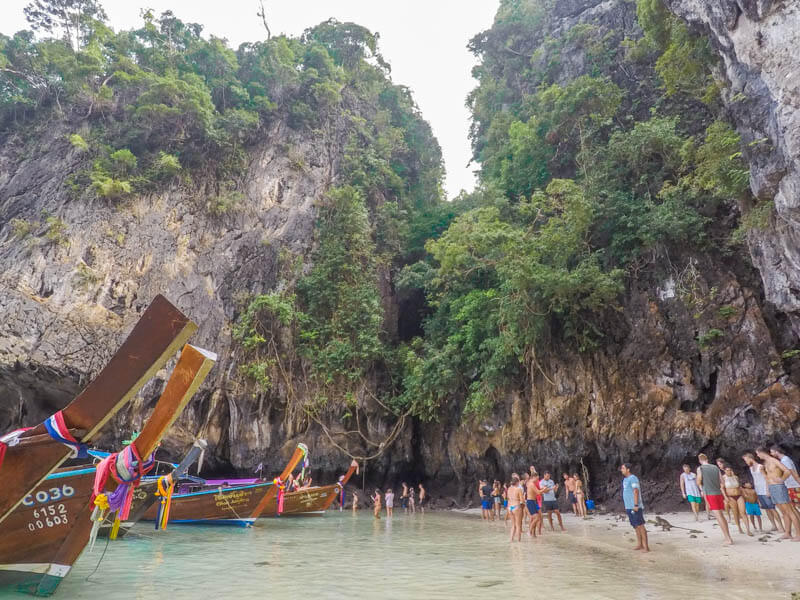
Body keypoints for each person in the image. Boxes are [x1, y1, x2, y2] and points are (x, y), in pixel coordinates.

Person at [756, 447, 800, 541]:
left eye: (757, 453)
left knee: (790, 511)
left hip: (779, 487)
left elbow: (787, 471)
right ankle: (787, 533)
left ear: (762, 452)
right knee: (783, 512)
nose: (757, 455)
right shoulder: (765, 463)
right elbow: (768, 477)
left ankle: (798, 534)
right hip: (772, 488)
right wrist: (763, 472)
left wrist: (782, 479)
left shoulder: (774, 461)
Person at [697, 453, 733, 545]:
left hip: (710, 494)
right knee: (721, 515)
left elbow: (698, 481)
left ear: (700, 460)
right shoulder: (715, 467)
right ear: (707, 459)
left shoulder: (700, 468)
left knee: (718, 516)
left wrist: (702, 487)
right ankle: (728, 536)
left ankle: (728, 539)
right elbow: (722, 481)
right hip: (718, 493)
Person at [743, 452, 784, 533]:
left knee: (772, 508)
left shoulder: (760, 467)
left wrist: (768, 490)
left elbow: (766, 478)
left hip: (765, 490)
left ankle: (781, 526)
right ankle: (774, 525)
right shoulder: (751, 468)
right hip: (758, 491)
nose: (746, 462)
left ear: (750, 458)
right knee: (767, 509)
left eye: (746, 460)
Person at [620, 463, 649, 552]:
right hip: (628, 506)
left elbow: (635, 491)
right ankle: (639, 544)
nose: (621, 470)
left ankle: (646, 547)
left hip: (635, 506)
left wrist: (636, 505)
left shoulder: (633, 478)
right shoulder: (625, 479)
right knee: (635, 526)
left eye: (623, 468)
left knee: (640, 526)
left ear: (628, 469)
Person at [723, 465, 751, 536]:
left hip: (739, 495)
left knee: (743, 512)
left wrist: (744, 494)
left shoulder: (735, 477)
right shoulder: (723, 478)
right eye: (727, 470)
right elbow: (722, 488)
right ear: (724, 471)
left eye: (729, 470)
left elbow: (739, 487)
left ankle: (748, 529)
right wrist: (725, 497)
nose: (728, 471)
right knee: (735, 512)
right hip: (730, 496)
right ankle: (739, 528)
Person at [526, 471, 544, 537]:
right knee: (537, 518)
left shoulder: (530, 483)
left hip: (532, 501)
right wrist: (544, 490)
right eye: (537, 478)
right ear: (534, 477)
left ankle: (534, 535)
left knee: (535, 518)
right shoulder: (531, 484)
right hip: (530, 501)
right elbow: (538, 492)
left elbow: (538, 491)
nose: (537, 480)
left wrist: (545, 490)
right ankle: (529, 531)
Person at [507, 474, 524, 542]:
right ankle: (519, 541)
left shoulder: (509, 489)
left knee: (513, 525)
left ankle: (511, 540)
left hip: (510, 507)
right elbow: (522, 500)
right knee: (518, 525)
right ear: (517, 482)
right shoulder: (518, 489)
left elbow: (508, 498)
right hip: (516, 506)